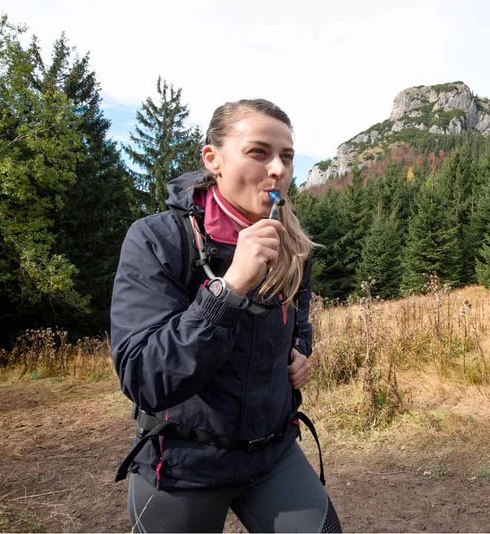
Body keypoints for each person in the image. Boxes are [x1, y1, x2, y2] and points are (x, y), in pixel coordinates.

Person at [110, 99, 341, 533]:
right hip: (182, 466)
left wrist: (299, 352)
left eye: (287, 157)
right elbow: (144, 377)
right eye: (258, 152)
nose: (277, 169)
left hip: (272, 453)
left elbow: (299, 322)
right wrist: (229, 287)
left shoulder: (292, 245)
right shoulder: (158, 239)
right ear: (212, 159)